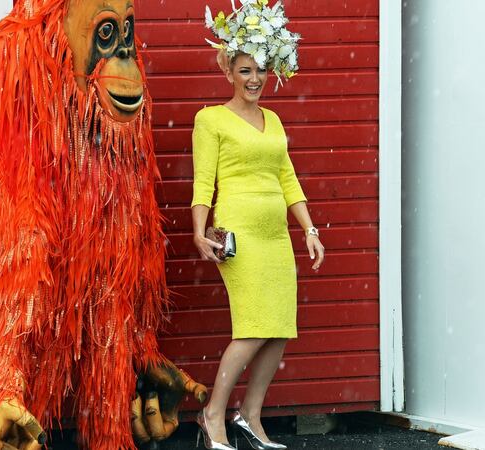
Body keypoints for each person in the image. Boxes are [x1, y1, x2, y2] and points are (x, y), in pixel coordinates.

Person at [192, 2, 325, 449]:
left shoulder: (274, 120)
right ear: (229, 70)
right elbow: (203, 182)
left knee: (279, 328)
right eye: (245, 69)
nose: (254, 79)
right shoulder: (210, 119)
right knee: (251, 327)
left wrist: (309, 229)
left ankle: (250, 416)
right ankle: (212, 415)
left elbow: (287, 177)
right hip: (240, 235)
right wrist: (198, 230)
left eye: (261, 71)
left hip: (276, 236)